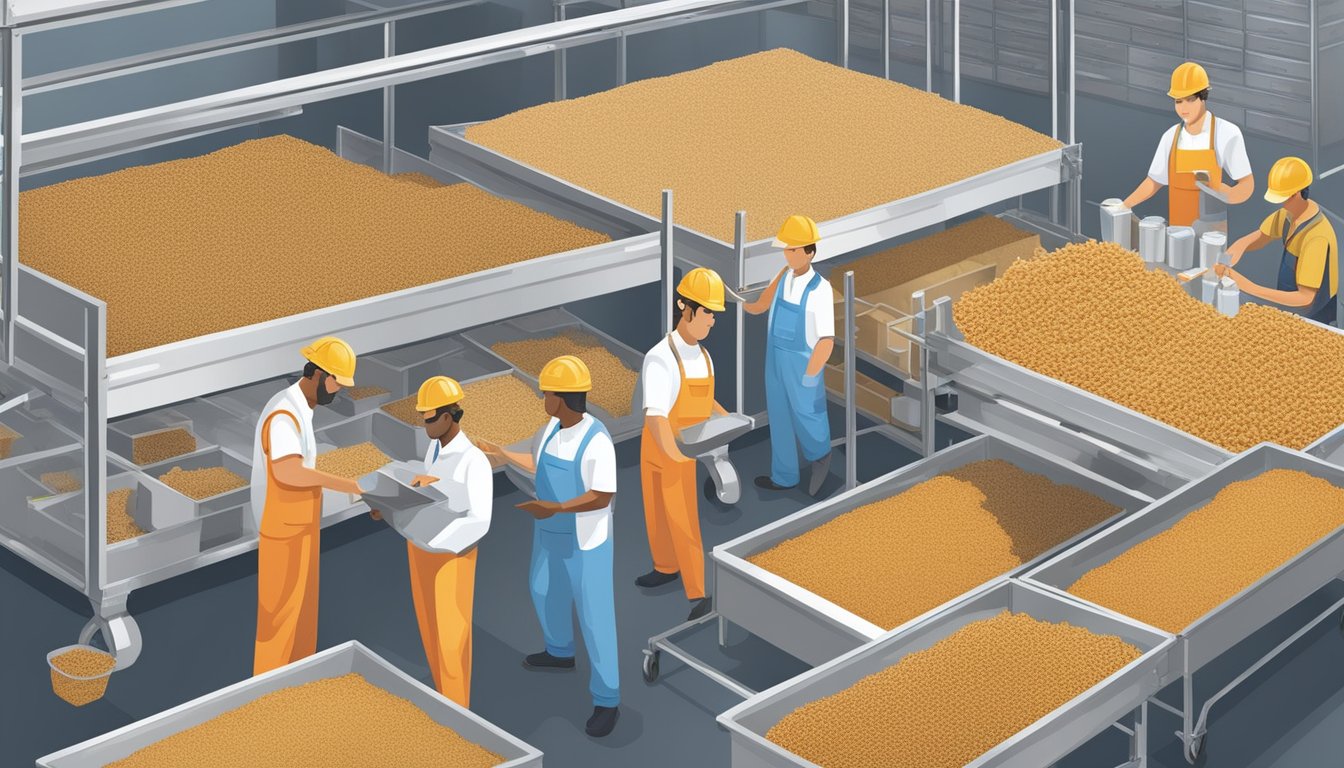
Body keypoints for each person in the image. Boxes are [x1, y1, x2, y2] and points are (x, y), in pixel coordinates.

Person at [477, 356, 620, 738]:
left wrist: (554, 507)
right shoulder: (551, 430)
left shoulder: (597, 440)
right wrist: (502, 453)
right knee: (544, 591)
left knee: (595, 617)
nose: (544, 400)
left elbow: (601, 496)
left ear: (560, 397)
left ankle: (607, 699)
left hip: (586, 541)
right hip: (549, 533)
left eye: (546, 394)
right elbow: (536, 462)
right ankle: (559, 653)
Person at [374, 376, 492, 707]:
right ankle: (444, 701)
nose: (424, 424)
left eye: (429, 418)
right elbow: (425, 501)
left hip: (453, 557)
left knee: (451, 641)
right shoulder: (433, 449)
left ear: (449, 415)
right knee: (430, 632)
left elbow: (480, 518)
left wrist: (440, 541)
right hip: (420, 550)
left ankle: (459, 713)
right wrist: (389, 509)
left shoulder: (473, 461)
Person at [251, 336, 365, 676]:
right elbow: (288, 472)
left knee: (301, 618)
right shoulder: (285, 414)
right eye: (336, 382)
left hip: (301, 527)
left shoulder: (303, 408)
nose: (338, 391)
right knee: (279, 624)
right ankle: (265, 699)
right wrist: (350, 485)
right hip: (282, 531)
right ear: (317, 374)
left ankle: (298, 689)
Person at [635, 267, 731, 622]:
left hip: (685, 450)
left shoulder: (704, 357)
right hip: (661, 445)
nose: (711, 321)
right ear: (683, 306)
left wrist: (728, 417)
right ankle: (664, 567)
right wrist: (671, 452)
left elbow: (706, 403)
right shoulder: (661, 357)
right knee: (656, 512)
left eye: (712, 314)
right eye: (706, 312)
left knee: (685, 520)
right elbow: (657, 415)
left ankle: (699, 592)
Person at [744, 215, 835, 497]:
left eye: (794, 249)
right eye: (787, 249)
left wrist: (811, 375)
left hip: (803, 363)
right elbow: (761, 305)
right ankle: (784, 476)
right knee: (780, 417)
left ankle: (820, 455)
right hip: (776, 361)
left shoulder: (820, 289)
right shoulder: (782, 275)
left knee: (808, 415)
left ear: (810, 251)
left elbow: (826, 339)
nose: (789, 254)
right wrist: (733, 302)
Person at [1121, 62, 1255, 229]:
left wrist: (1223, 193)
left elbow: (1247, 185)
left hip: (1211, 236)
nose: (1184, 108)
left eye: (1190, 100)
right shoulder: (1170, 136)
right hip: (1177, 233)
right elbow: (1154, 181)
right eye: (1179, 101)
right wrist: (1124, 206)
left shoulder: (1226, 133)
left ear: (1203, 97)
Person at [1215, 157, 1339, 325]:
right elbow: (1260, 237)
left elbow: (1305, 298)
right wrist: (1233, 252)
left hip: (1314, 315)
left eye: (1283, 198)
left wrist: (1249, 287)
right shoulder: (1288, 214)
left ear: (1297, 194)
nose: (1281, 204)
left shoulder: (1317, 237)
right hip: (1287, 303)